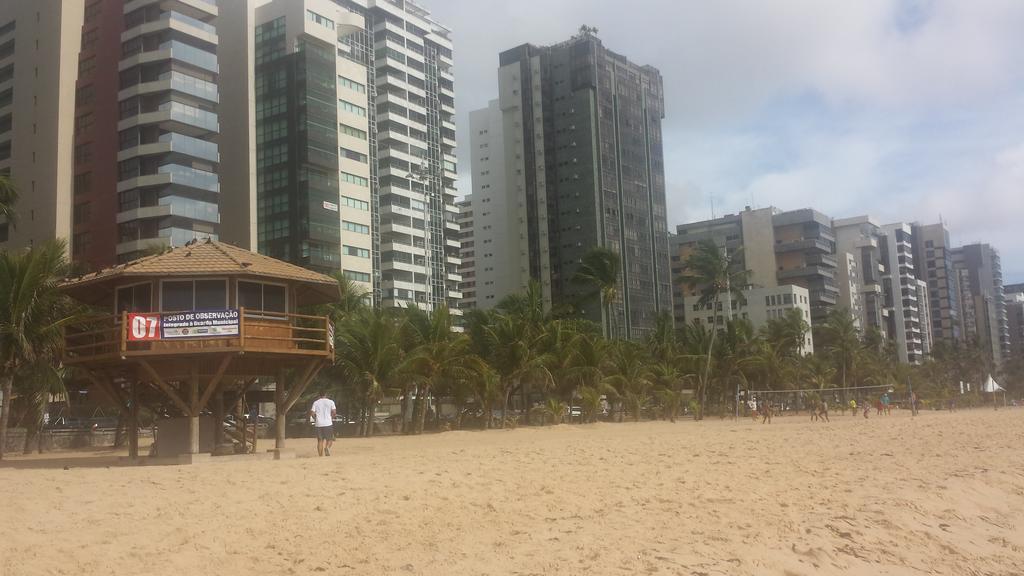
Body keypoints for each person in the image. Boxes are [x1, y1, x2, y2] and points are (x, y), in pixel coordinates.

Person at [309, 391, 337, 457]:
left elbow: (312, 413)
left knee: (320, 440)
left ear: (319, 395)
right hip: (328, 423)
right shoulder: (331, 402)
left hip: (319, 424)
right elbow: (334, 412)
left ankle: (320, 456)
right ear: (326, 395)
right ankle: (327, 447)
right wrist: (331, 417)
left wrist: (316, 419)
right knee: (329, 439)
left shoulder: (316, 402)